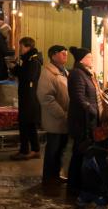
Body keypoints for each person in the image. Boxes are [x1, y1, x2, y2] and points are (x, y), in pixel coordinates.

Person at [66, 47, 100, 190]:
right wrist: (92, 110)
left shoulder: (85, 73)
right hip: (82, 120)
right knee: (80, 152)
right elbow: (79, 97)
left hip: (86, 119)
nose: (92, 59)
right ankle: (75, 185)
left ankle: (77, 184)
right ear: (82, 59)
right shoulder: (77, 74)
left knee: (80, 151)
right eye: (90, 57)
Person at [37, 45, 70, 186]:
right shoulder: (48, 73)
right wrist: (61, 114)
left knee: (60, 149)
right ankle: (49, 177)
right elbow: (46, 97)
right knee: (53, 149)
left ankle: (55, 175)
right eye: (63, 54)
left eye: (66, 53)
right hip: (55, 119)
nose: (65, 56)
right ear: (54, 55)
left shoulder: (63, 71)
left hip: (63, 119)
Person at [11, 37, 42, 160]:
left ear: (28, 47)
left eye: (21, 46)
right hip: (26, 95)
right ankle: (32, 149)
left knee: (26, 124)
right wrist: (15, 68)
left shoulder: (33, 60)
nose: (20, 49)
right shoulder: (27, 59)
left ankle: (27, 150)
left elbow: (28, 76)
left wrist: (16, 68)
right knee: (28, 124)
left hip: (29, 97)